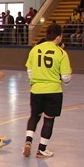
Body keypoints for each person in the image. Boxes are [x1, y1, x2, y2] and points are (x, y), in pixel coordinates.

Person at [23, 23, 72, 159]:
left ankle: (28, 141)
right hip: (53, 91)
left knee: (34, 116)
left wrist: (36, 82)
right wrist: (66, 79)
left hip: (36, 90)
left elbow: (29, 70)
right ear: (59, 36)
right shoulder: (61, 53)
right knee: (49, 119)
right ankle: (42, 150)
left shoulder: (35, 49)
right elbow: (66, 78)